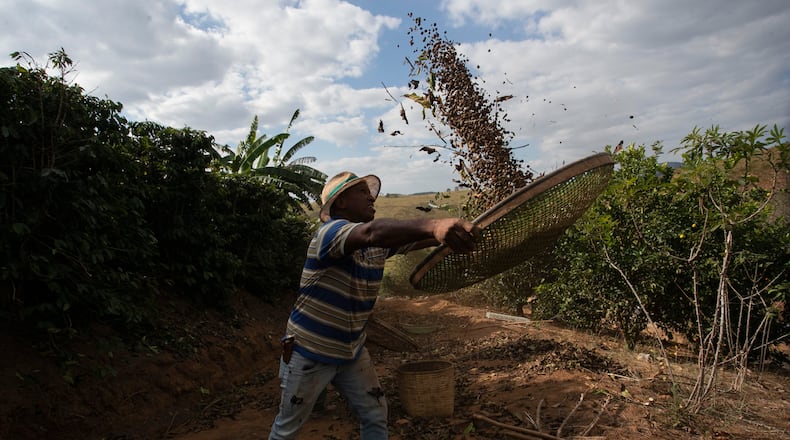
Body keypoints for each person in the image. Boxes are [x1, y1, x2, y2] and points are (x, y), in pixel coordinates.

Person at [268, 171, 480, 440]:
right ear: (341, 203)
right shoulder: (329, 234)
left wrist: (450, 233)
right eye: (361, 192)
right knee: (287, 427)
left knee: (375, 414)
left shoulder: (376, 245)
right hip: (311, 351)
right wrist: (435, 225)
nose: (371, 197)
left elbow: (404, 238)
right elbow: (372, 232)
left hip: (351, 350)